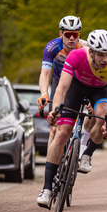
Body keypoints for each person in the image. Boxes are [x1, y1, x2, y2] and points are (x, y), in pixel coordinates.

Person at [37, 29, 107, 208]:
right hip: (75, 89)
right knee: (62, 134)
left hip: (100, 91)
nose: (105, 59)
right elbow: (62, 88)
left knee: (102, 118)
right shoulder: (77, 56)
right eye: (100, 54)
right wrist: (56, 110)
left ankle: (87, 154)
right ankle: (46, 189)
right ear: (91, 51)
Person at [36, 15, 88, 147]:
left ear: (79, 35)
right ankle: (51, 163)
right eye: (68, 34)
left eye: (75, 34)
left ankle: (77, 147)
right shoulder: (52, 47)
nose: (71, 38)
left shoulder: (85, 48)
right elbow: (45, 73)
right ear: (61, 34)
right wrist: (44, 93)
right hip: (59, 81)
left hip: (78, 83)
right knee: (54, 126)